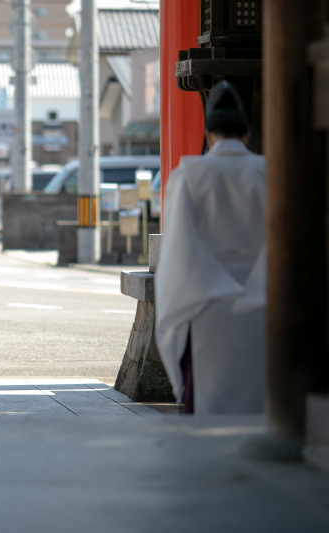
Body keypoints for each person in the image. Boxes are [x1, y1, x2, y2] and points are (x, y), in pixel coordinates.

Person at [155, 81, 266, 415]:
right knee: (263, 404)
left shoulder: (189, 173)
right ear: (246, 135)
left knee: (205, 405)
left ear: (209, 135)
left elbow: (177, 249)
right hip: (266, 302)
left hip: (204, 304)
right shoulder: (270, 173)